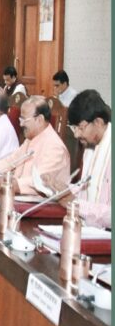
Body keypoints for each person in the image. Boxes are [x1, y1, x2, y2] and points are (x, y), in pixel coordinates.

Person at [0, 96, 70, 194]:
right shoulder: (31, 138)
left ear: (39, 119)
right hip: (19, 195)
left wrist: (3, 183)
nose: (21, 124)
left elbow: (40, 183)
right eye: (20, 119)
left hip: (40, 201)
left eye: (24, 120)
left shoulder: (55, 148)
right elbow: (12, 160)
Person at [58, 90, 110, 228]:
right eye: (74, 128)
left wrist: (76, 204)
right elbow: (85, 188)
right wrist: (63, 189)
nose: (76, 135)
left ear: (98, 122)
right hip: (85, 227)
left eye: (80, 128)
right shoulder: (90, 145)